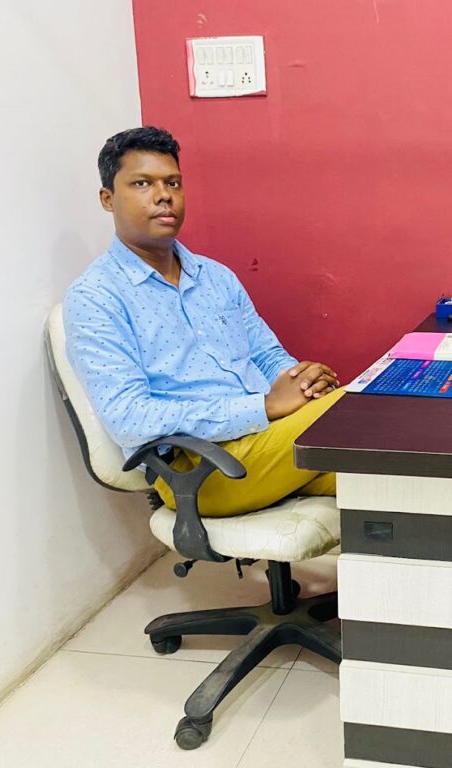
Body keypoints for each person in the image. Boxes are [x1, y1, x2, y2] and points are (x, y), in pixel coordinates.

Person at [64, 126, 343, 517]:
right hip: (201, 470)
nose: (164, 195)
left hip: (269, 441)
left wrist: (301, 384)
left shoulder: (215, 276)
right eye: (142, 183)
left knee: (395, 474)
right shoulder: (95, 297)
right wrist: (262, 407)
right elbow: (129, 418)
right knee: (357, 410)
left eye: (173, 183)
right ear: (108, 199)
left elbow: (266, 355)